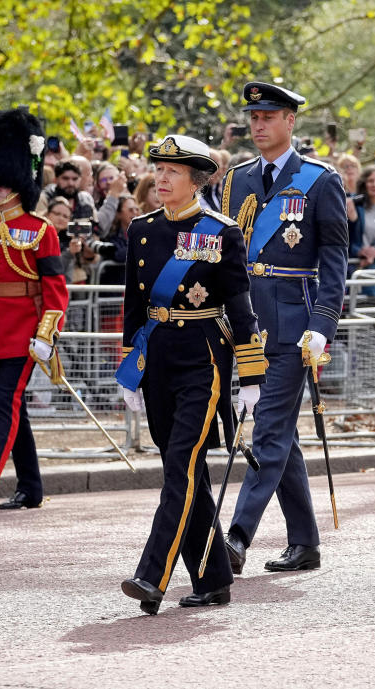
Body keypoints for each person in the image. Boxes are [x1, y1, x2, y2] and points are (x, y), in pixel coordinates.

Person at [114, 134, 266, 615]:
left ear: (196, 179)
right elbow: (134, 306)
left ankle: (151, 575)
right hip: (157, 358)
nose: (161, 178)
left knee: (181, 463)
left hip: (204, 359)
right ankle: (213, 578)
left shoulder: (221, 232)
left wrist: (251, 377)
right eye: (158, 169)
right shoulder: (140, 229)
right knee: (187, 472)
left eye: (172, 171)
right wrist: (130, 371)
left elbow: (241, 308)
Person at [221, 81, 348, 574]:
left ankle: (235, 536)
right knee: (282, 436)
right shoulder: (236, 182)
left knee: (269, 429)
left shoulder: (319, 180)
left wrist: (324, 322)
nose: (258, 125)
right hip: (247, 323)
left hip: (295, 324)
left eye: (268, 117)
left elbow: (334, 258)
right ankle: (305, 541)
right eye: (253, 117)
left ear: (290, 121)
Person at [0, 109, 67, 510]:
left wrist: (45, 333)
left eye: (6, 184)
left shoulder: (42, 230)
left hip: (23, 333)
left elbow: (55, 289)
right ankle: (31, 487)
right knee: (14, 408)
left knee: (7, 404)